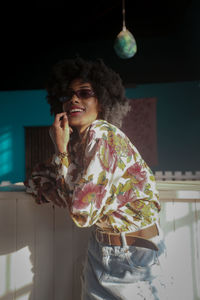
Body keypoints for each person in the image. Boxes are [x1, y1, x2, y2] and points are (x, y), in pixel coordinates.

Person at [25, 57, 172, 299]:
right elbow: (39, 176)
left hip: (133, 256)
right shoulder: (79, 147)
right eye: (67, 95)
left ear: (102, 101)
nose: (73, 99)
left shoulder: (103, 136)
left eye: (84, 93)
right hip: (103, 247)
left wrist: (60, 152)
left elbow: (81, 213)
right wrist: (57, 179)